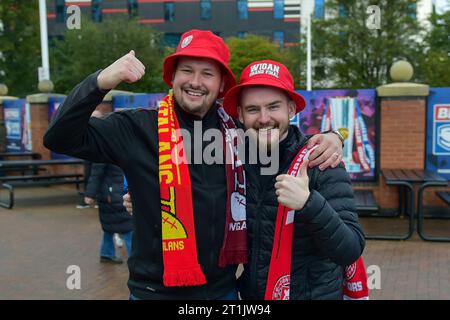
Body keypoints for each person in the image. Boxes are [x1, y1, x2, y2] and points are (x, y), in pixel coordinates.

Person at [44, 29, 343, 300]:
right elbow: (59, 137)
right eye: (186, 70)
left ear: (222, 83)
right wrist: (100, 82)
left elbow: (281, 138)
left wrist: (330, 138)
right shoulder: (136, 127)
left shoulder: (239, 135)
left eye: (207, 73)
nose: (196, 82)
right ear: (172, 77)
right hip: (153, 293)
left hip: (222, 291)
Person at [123, 59, 367, 300]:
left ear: (291, 109)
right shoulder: (233, 160)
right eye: (253, 109)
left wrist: (308, 202)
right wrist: (149, 202)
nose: (263, 118)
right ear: (240, 114)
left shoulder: (320, 162)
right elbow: (197, 198)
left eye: (273, 107)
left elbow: (350, 248)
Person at [83, 110, 133, 264]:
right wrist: (90, 194)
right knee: (128, 229)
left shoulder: (114, 141)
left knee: (110, 227)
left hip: (112, 193)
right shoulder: (107, 144)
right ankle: (136, 259)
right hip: (113, 194)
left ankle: (106, 253)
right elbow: (96, 173)